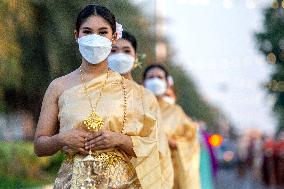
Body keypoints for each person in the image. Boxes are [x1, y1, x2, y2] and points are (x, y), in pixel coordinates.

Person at [34, 5, 161, 189]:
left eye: (102, 32)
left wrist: (119, 139)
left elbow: (150, 146)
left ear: (114, 37)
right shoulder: (58, 86)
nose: (95, 38)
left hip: (121, 183)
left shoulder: (132, 91)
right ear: (76, 35)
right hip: (73, 182)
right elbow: (39, 146)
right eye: (87, 32)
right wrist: (61, 139)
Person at [108, 31, 174, 189]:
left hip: (137, 180)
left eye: (126, 51)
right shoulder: (92, 93)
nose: (119, 56)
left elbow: (158, 147)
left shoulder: (146, 98)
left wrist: (121, 140)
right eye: (113, 51)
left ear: (135, 57)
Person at [143, 64, 201, 189]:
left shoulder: (176, 112)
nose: (155, 80)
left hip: (169, 176)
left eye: (159, 77)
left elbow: (191, 140)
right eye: (151, 77)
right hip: (140, 172)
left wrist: (174, 143)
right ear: (143, 83)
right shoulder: (135, 107)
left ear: (167, 83)